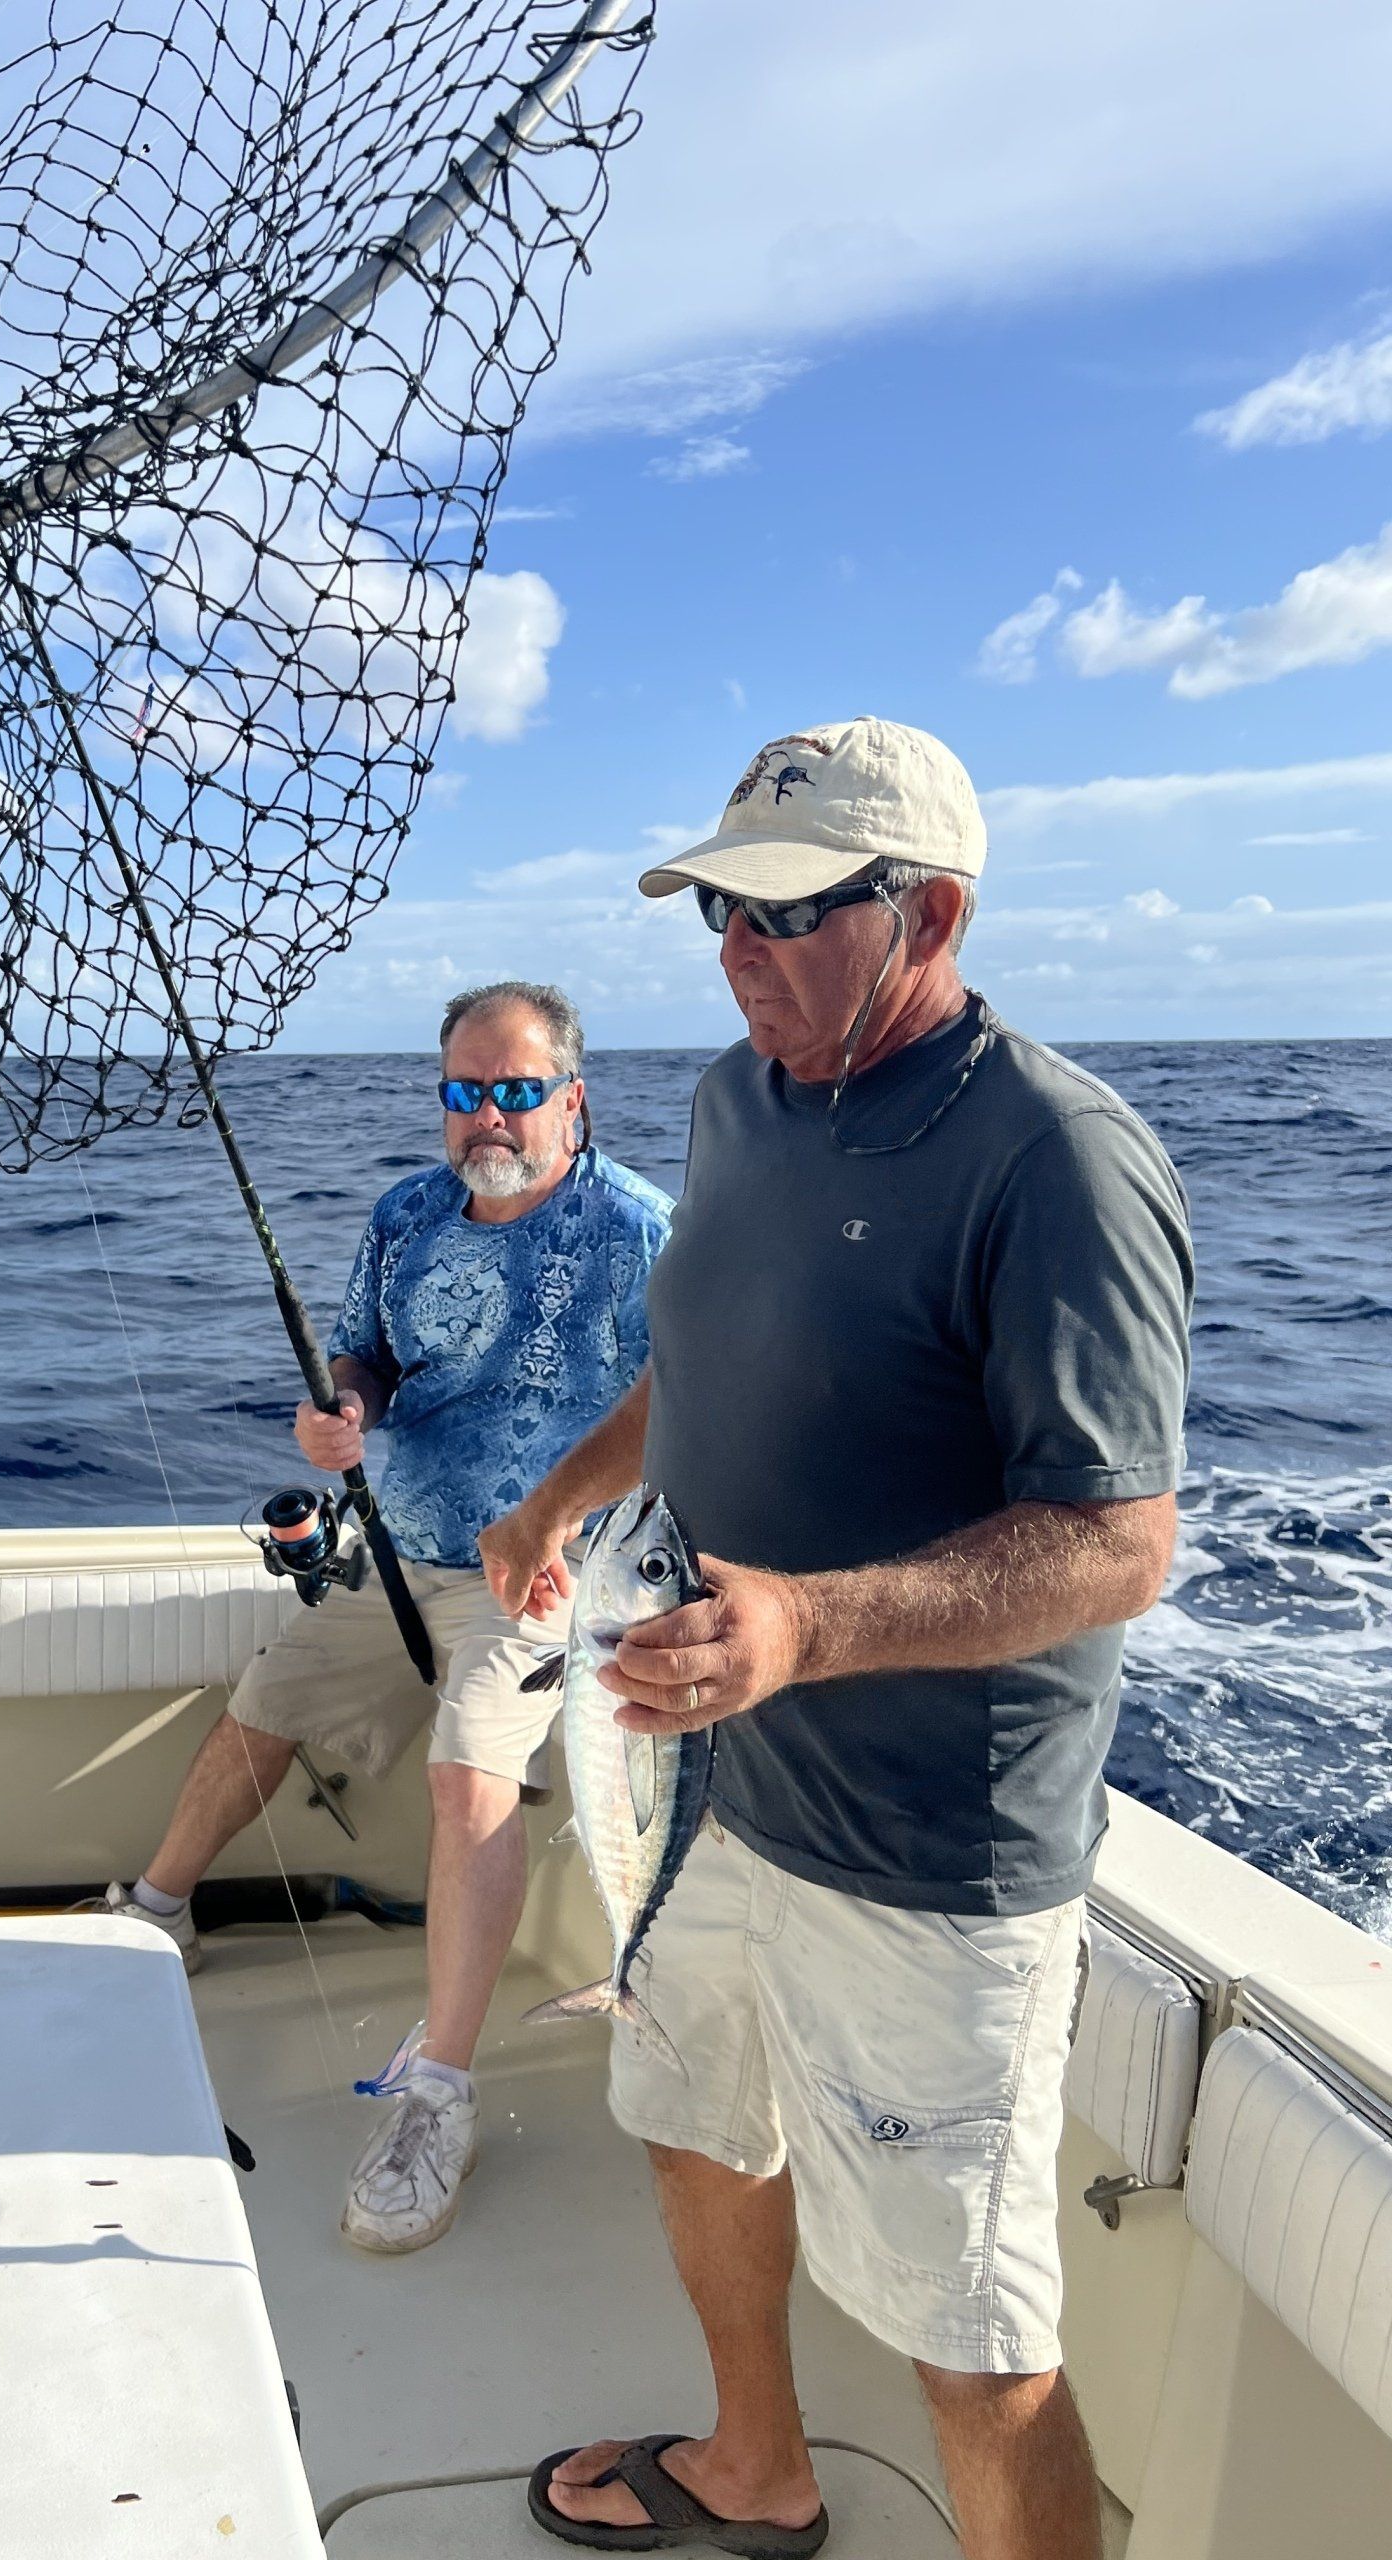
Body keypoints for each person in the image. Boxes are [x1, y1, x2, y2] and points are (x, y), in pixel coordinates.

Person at [481, 718, 1192, 2560]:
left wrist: (806, 1623)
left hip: (923, 1851)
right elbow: (697, 1352)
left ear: (932, 909)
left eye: (790, 915)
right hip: (713, 1781)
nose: (739, 950)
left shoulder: (1057, 1158)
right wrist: (563, 1495)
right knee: (693, 2117)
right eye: (720, 910)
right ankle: (755, 2465)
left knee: (974, 2338)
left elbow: (1118, 1546)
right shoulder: (743, 1096)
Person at [87, 980, 671, 2253]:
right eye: (464, 1091)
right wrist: (340, 1413)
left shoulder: (638, 1230)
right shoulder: (406, 1213)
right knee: (266, 1705)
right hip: (393, 1553)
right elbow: (365, 1353)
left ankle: (436, 2095)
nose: (488, 1117)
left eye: (518, 1090)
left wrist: (562, 1523)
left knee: (473, 1776)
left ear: (573, 1097)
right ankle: (154, 1917)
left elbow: (695, 1398)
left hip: (549, 1582)